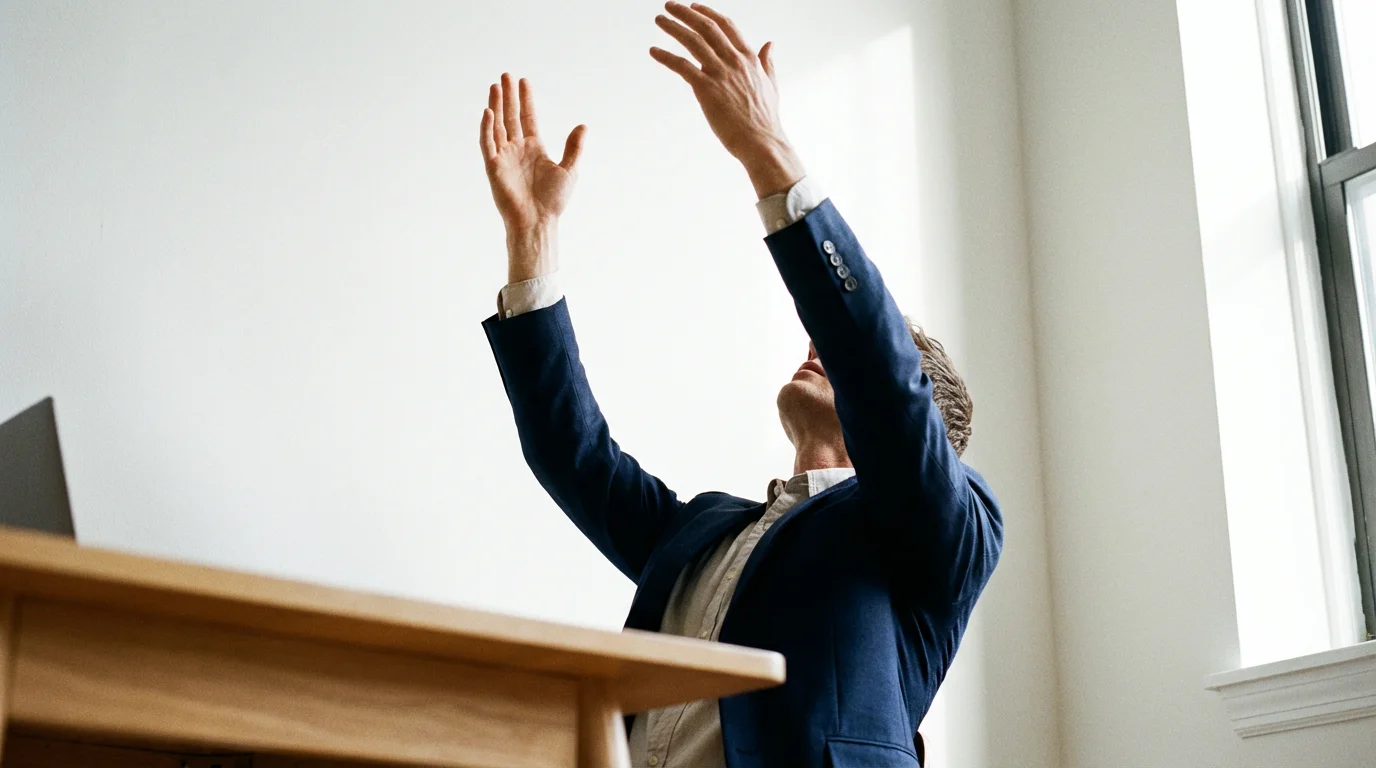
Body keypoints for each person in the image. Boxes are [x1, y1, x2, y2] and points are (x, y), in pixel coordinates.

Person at [478, 4, 1002, 766]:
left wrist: (767, 149)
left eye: (844, 346)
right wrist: (532, 241)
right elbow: (572, 454)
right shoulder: (705, 532)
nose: (818, 344)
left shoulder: (942, 530)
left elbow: (880, 375)